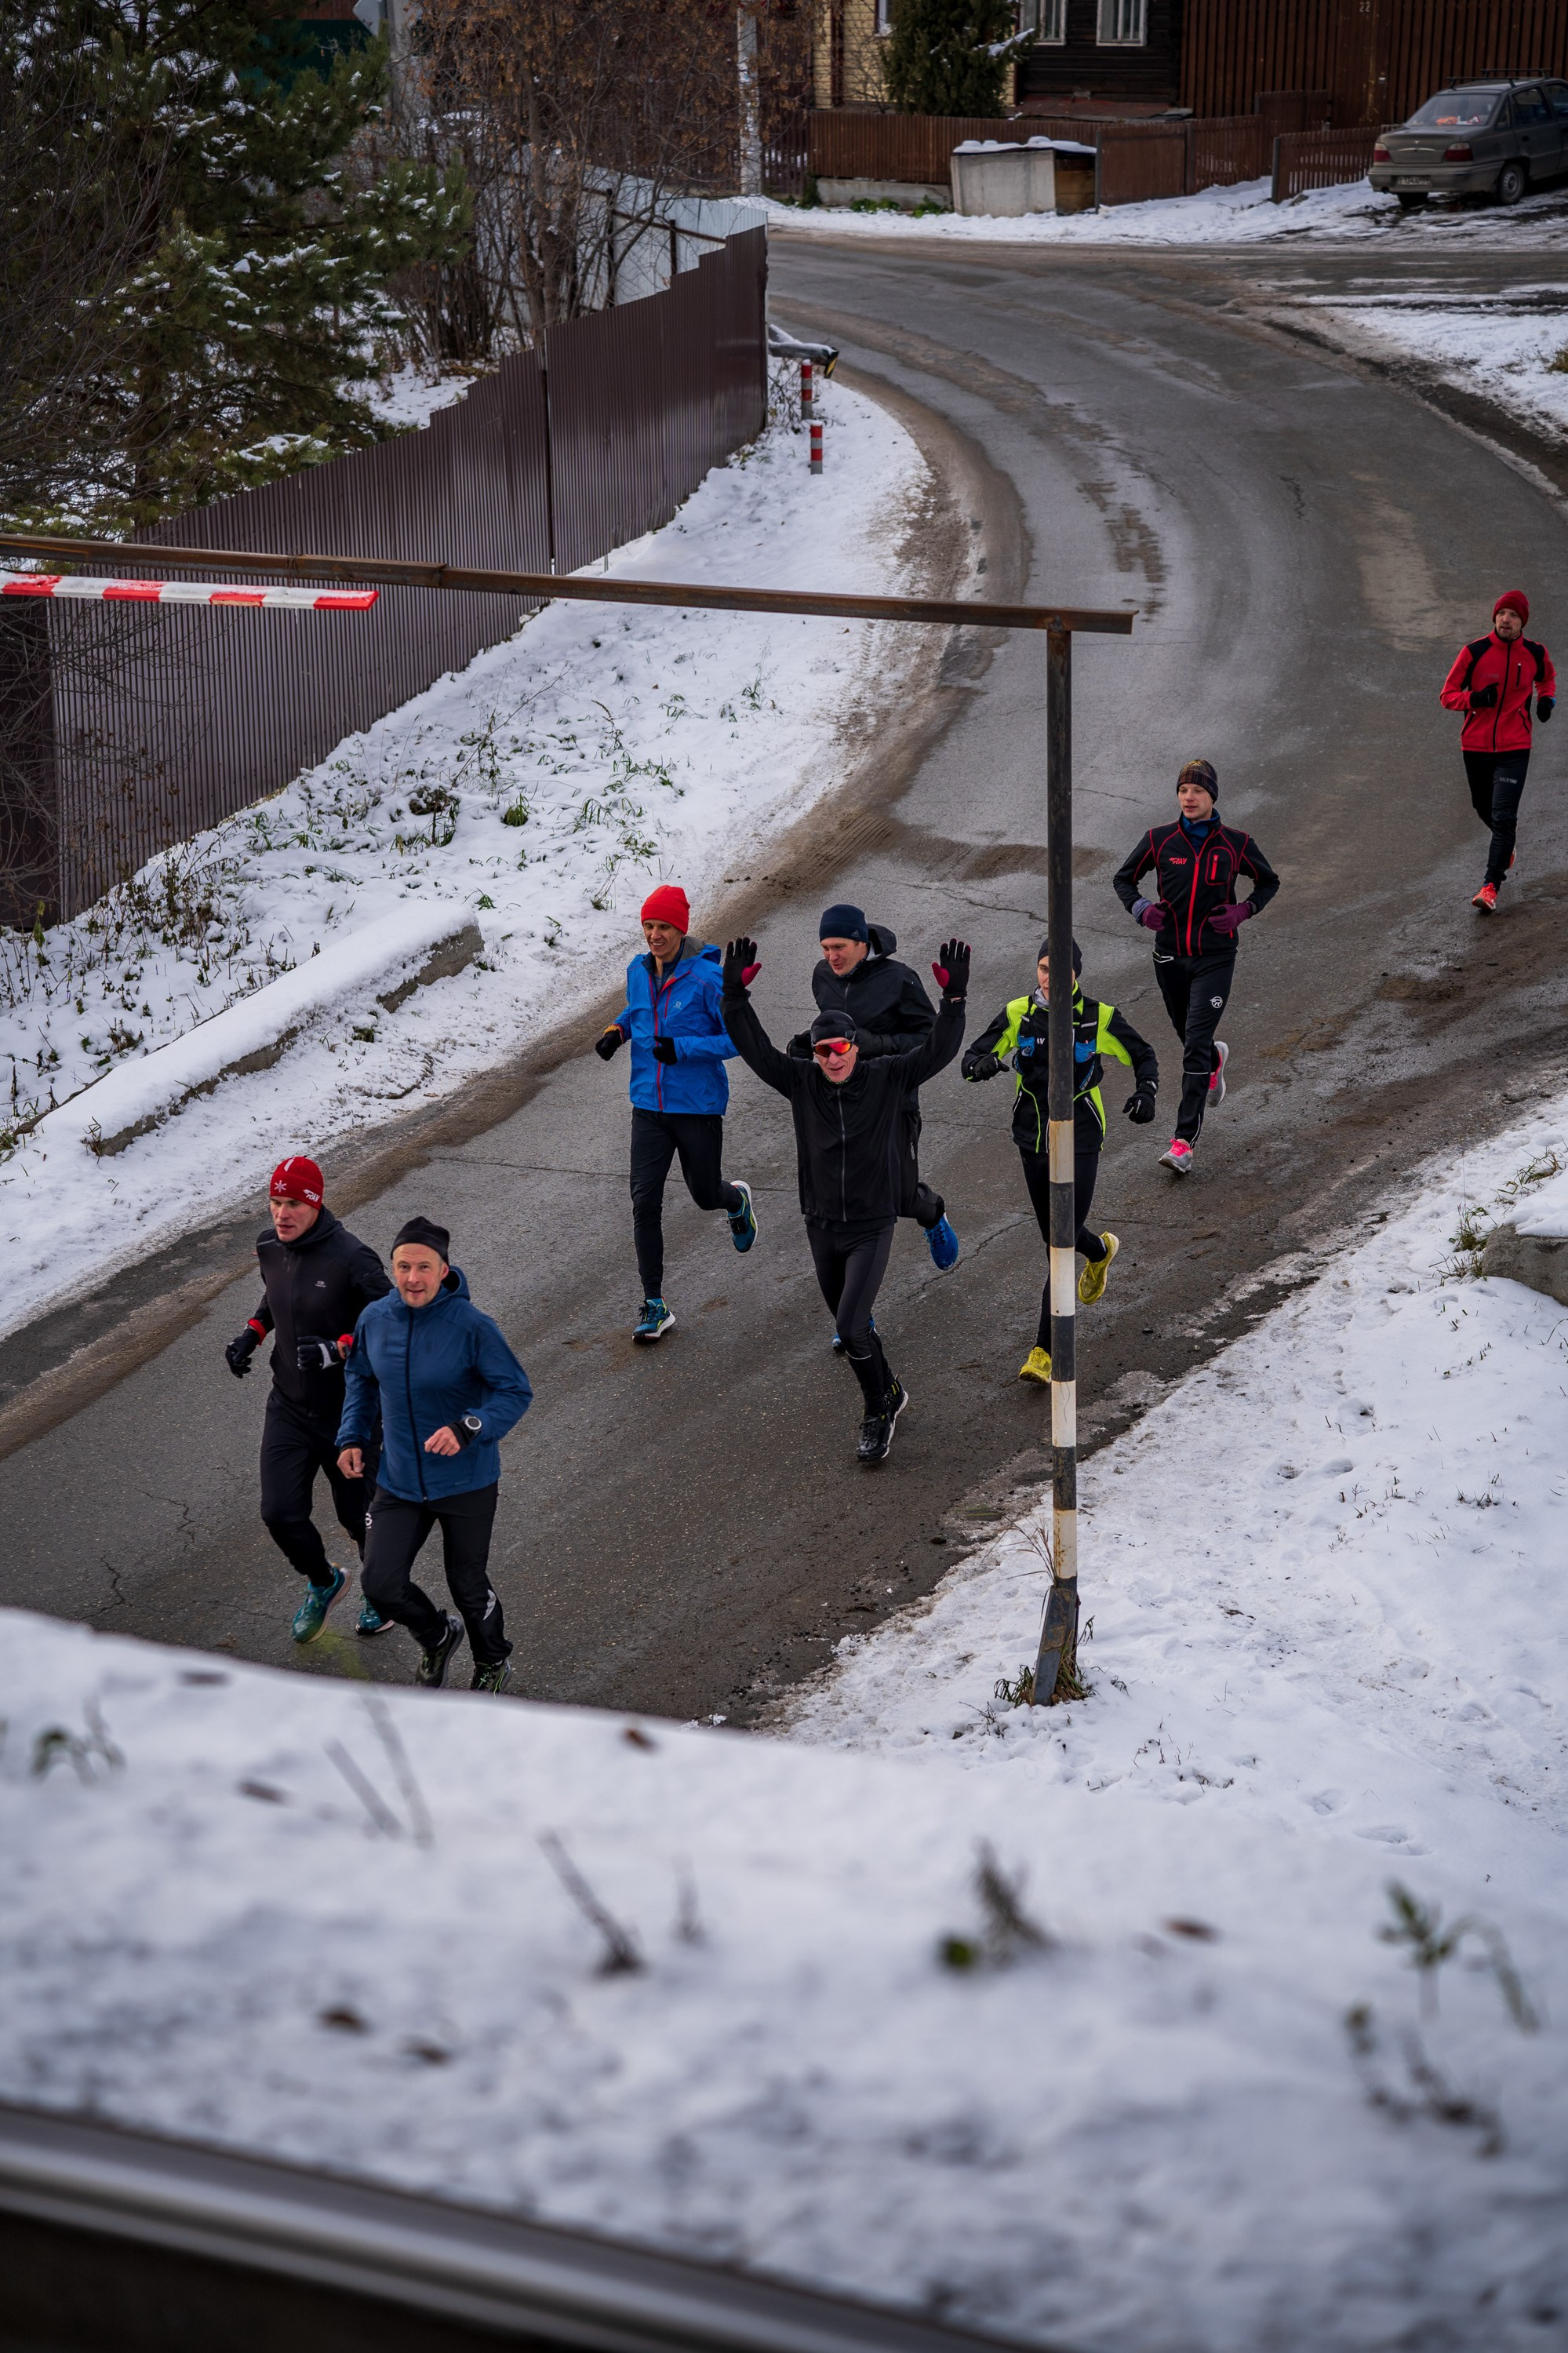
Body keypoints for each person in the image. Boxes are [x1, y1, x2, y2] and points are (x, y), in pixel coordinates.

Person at [721, 932, 969, 1463]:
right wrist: (733, 995)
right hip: (821, 1223)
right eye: (821, 1050)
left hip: (871, 1222)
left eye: (838, 1048)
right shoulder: (802, 1082)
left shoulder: (884, 1076)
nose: (830, 1058)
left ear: (855, 1046)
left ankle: (876, 1410)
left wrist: (953, 1002)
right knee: (850, 1327)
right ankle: (889, 1391)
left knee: (852, 1325)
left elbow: (936, 1051)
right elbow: (754, 1049)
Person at [337, 1217, 533, 1692]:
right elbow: (361, 1378)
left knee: (467, 1585)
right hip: (399, 1481)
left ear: (444, 1270)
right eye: (403, 1266)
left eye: (424, 1267)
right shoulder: (375, 1319)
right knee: (379, 1584)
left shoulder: (471, 1326)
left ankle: (491, 1660)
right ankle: (437, 1635)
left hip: (465, 1481)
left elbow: (514, 1391)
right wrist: (352, 1437)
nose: (412, 1278)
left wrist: (470, 1427)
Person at [962, 940, 1158, 1384]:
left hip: (1081, 1134)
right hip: (1032, 1135)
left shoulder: (1099, 1016)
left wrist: (1146, 1091)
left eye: (1062, 969)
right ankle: (1101, 1250)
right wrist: (986, 1065)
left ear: (1077, 973)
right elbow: (970, 1060)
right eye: (1045, 968)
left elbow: (1144, 1054)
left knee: (1060, 1242)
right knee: (1057, 1234)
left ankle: (1043, 1352)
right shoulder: (1017, 1013)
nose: (1051, 977)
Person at [224, 1155, 391, 1645]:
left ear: (315, 1204)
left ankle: (380, 1592)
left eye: (293, 1203)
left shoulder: (353, 1258)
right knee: (279, 1512)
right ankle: (323, 1581)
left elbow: (393, 1325)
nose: (281, 1214)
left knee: (356, 1517)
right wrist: (251, 1335)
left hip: (349, 1414)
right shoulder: (268, 1246)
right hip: (289, 1406)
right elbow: (278, 1298)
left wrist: (338, 1349)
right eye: (275, 1203)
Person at [595, 883, 757, 1345]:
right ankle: (654, 1303)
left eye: (662, 926)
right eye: (648, 926)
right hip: (647, 1105)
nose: (654, 935)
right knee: (644, 1202)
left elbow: (735, 1040)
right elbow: (636, 1009)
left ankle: (735, 1200)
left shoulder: (708, 980)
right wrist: (617, 1030)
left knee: (704, 1194)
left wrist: (679, 1049)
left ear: (679, 929)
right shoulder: (637, 971)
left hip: (696, 1107)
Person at [1112, 759, 1279, 1178]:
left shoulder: (1236, 844)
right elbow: (1123, 879)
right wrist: (1141, 909)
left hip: (1216, 957)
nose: (1189, 797)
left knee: (1192, 1046)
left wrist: (1243, 910)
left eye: (1197, 791)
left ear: (1212, 797)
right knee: (1191, 1040)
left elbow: (1269, 881)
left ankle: (1183, 1142)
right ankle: (1213, 1062)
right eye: (1183, 790)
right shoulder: (1158, 839)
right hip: (1168, 956)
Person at [794, 904, 959, 1277]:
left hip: (892, 1097)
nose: (830, 957)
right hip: (840, 1099)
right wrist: (809, 1043)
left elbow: (928, 1039)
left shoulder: (900, 979)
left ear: (860, 942)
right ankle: (855, 1308)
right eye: (824, 948)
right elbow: (830, 1026)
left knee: (900, 1195)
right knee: (842, 1195)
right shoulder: (823, 975)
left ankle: (932, 1214)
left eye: (838, 947)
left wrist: (872, 1044)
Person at [1439, 589, 1555, 914]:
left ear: (1523, 623)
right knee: (1483, 807)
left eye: (1514, 615)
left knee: (1504, 816)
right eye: (1502, 613)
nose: (1506, 619)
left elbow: (1547, 679)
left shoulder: (1535, 652)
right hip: (1475, 746)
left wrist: (1547, 699)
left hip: (1516, 746)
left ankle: (1490, 887)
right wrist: (1474, 699)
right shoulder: (1474, 652)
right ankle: (1506, 845)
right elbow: (1447, 695)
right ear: (1495, 617)